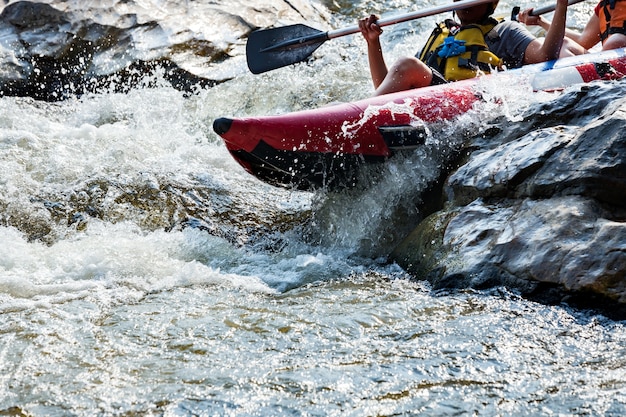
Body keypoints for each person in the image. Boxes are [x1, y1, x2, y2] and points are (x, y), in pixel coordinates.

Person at [358, 0, 573, 95]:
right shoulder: (444, 34)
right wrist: (372, 42)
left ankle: (356, 119)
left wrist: (561, 5)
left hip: (471, 102)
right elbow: (389, 87)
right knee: (406, 67)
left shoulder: (506, 31)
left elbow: (546, 56)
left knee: (407, 64)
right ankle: (355, 118)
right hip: (432, 101)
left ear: (493, 3)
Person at [518, 0, 626, 51]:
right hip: (607, 61)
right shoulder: (604, 7)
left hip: (618, 56)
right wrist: (540, 22)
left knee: (615, 41)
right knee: (564, 44)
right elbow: (582, 42)